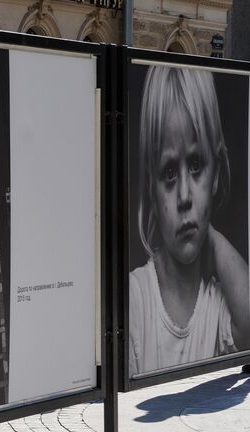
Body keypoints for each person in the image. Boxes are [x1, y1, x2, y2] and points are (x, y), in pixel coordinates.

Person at [129, 66, 250, 376]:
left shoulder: (216, 303)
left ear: (216, 173)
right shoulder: (136, 299)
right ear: (151, 192)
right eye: (169, 173)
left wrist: (207, 232)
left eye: (196, 165)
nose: (184, 196)